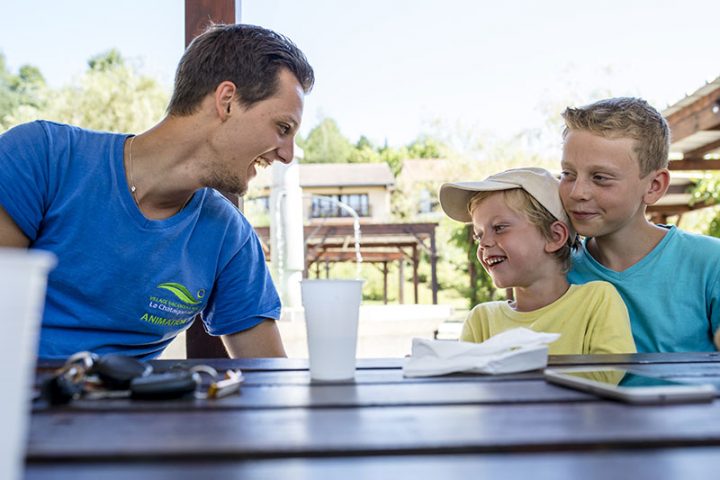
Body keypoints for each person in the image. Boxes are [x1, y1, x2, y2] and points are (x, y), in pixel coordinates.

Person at [0, 24, 314, 360]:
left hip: (136, 408)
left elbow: (270, 378)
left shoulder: (229, 237)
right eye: (283, 128)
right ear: (227, 101)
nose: (287, 154)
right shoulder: (41, 157)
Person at [560, 97, 720, 352]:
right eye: (568, 174)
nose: (577, 192)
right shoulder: (555, 269)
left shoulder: (711, 263)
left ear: (654, 186)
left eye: (600, 178)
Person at [439, 167, 636, 355]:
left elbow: (609, 372)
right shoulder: (481, 320)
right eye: (478, 235)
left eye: (499, 227)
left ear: (554, 237)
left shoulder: (597, 301)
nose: (484, 243)